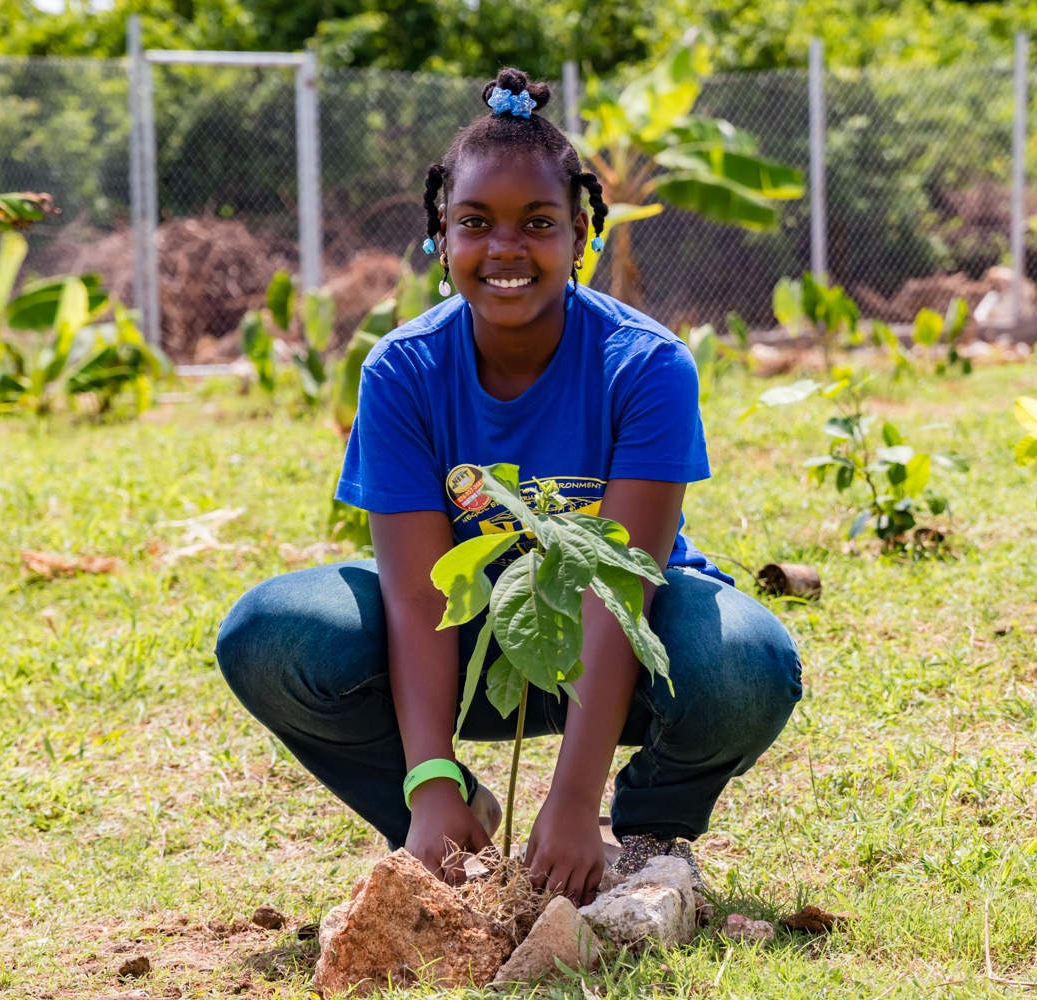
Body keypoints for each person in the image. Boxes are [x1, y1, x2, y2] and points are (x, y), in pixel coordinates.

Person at [215, 67, 801, 906]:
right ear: (440, 237)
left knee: (747, 662)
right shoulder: (404, 371)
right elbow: (419, 600)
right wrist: (427, 778)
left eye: (538, 223)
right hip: (467, 638)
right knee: (271, 634)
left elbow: (617, 591)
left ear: (580, 234)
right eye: (475, 223)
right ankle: (448, 819)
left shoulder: (646, 366)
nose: (506, 248)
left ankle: (641, 839)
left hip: (623, 642)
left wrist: (572, 801)